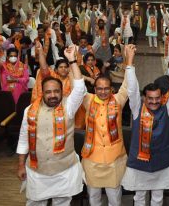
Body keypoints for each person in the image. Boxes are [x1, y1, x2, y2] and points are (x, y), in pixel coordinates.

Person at [16, 44, 86, 205]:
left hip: (64, 171)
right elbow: (23, 139)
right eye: (48, 92)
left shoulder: (69, 106)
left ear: (62, 92)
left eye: (56, 91)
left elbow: (80, 88)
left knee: (62, 203)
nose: (53, 95)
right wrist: (20, 165)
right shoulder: (30, 111)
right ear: (42, 93)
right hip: (37, 171)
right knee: (35, 203)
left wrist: (73, 61)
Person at [121, 47, 169, 206]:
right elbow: (132, 88)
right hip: (139, 163)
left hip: (161, 162)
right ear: (144, 98)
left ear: (162, 97)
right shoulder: (136, 109)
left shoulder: (166, 109)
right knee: (139, 198)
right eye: (150, 98)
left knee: (157, 198)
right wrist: (130, 62)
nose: (154, 102)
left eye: (157, 98)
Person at [79, 44, 136, 206]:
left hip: (114, 160)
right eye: (99, 89)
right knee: (94, 198)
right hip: (92, 159)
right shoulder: (88, 100)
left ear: (111, 89)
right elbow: (77, 84)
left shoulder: (118, 100)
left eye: (106, 89)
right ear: (94, 89)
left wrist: (129, 60)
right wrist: (72, 62)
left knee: (115, 200)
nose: (103, 92)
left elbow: (127, 85)